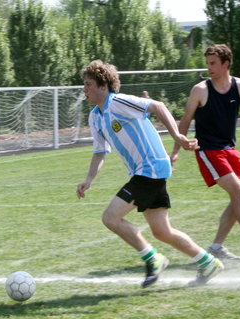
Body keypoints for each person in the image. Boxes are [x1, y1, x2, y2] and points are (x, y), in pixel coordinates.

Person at [76, 60, 223, 287]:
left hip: (151, 168)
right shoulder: (95, 117)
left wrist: (177, 137)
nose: (84, 89)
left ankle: (152, 258)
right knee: (162, 231)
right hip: (146, 171)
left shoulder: (119, 101)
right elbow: (99, 152)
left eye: (88, 84)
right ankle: (208, 262)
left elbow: (158, 106)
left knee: (110, 217)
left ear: (103, 86)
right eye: (84, 84)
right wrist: (88, 179)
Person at [171, 44, 240, 262]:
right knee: (238, 193)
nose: (208, 68)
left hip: (230, 150)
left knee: (238, 197)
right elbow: (185, 122)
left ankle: (216, 247)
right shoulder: (200, 90)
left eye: (213, 63)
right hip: (208, 151)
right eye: (207, 63)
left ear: (226, 64)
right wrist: (176, 151)